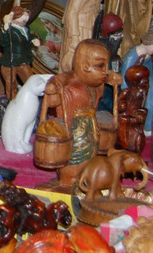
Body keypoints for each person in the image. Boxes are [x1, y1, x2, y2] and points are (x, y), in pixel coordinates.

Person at [39, 39, 121, 190]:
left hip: (90, 128)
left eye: (106, 66)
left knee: (91, 157)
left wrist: (112, 77)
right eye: (100, 66)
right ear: (85, 66)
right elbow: (60, 81)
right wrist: (54, 84)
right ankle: (68, 181)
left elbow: (107, 77)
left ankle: (83, 180)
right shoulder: (69, 81)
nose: (105, 70)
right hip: (75, 130)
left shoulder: (94, 83)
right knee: (74, 158)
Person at [60, 0, 110, 74]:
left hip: (90, 30)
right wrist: (74, 37)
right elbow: (71, 13)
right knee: (75, 62)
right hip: (79, 30)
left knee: (86, 61)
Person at [0, 5, 40, 101]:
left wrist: (33, 39)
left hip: (23, 60)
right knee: (11, 83)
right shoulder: (9, 29)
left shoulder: (26, 28)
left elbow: (28, 38)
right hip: (10, 62)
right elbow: (4, 43)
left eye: (26, 16)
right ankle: (13, 102)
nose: (25, 19)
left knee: (30, 80)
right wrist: (6, 27)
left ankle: (32, 100)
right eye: (22, 16)